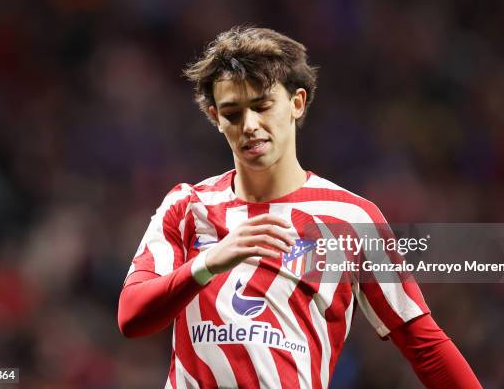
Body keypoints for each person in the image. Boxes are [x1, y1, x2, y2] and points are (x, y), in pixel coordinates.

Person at [118, 26, 481, 388]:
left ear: (297, 103)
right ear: (215, 117)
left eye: (262, 106)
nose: (250, 125)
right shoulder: (188, 206)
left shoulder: (350, 220)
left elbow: (424, 344)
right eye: (232, 114)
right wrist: (207, 263)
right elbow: (131, 317)